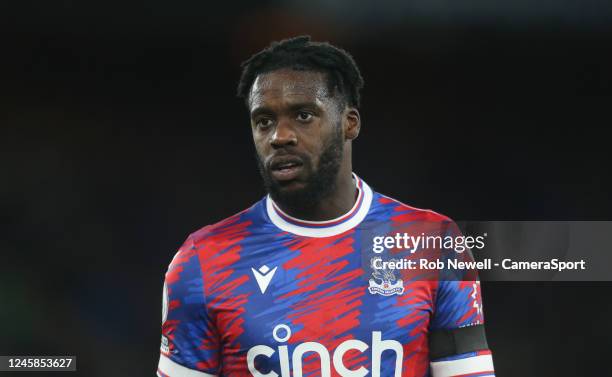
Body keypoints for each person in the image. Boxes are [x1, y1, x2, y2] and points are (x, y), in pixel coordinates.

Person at [157, 36, 494, 377]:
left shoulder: (431, 244)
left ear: (350, 123)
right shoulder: (204, 260)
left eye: (303, 115)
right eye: (264, 121)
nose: (279, 136)